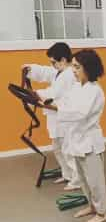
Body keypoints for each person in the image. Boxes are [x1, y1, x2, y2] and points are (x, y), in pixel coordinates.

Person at [42, 49, 106, 222]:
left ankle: (102, 212)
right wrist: (50, 102)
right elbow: (66, 102)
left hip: (89, 141)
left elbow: (80, 113)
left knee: (95, 181)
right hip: (76, 140)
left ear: (89, 68)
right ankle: (92, 206)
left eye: (77, 67)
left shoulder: (94, 91)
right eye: (73, 66)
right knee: (83, 178)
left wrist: (57, 109)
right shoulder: (78, 87)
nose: (74, 70)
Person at [22, 42, 80, 190]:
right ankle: (67, 174)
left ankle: (77, 180)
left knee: (68, 149)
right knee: (58, 148)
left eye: (54, 62)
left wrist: (35, 95)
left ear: (63, 60)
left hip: (65, 116)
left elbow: (54, 93)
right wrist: (31, 69)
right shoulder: (59, 71)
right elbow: (47, 72)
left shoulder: (69, 74)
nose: (52, 65)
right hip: (56, 116)